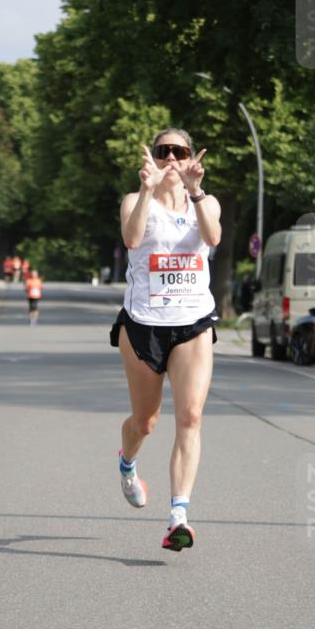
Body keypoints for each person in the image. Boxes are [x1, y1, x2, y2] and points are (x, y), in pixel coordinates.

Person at [110, 128, 221, 552]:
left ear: (191, 156)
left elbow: (212, 238)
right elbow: (132, 239)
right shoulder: (134, 200)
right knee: (146, 422)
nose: (171, 157)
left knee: (190, 416)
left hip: (192, 322)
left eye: (180, 151)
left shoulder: (205, 202)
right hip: (142, 324)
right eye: (163, 151)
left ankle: (179, 516)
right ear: (154, 157)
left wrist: (195, 193)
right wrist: (145, 189)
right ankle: (127, 464)